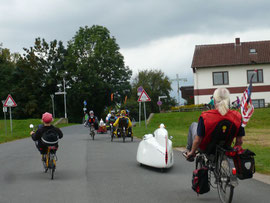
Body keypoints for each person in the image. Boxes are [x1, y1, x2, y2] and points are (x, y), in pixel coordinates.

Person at [184, 88, 245, 161]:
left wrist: (193, 152)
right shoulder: (237, 116)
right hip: (225, 148)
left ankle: (189, 151)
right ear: (228, 100)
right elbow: (239, 141)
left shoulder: (205, 116)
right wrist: (234, 152)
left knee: (193, 125)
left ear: (214, 100)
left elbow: (198, 140)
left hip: (206, 148)